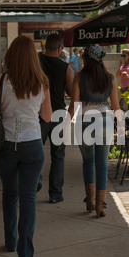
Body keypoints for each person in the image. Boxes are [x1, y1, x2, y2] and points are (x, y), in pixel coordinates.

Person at [0, 36, 52, 257]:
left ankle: (10, 240)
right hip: (32, 145)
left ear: (11, 56)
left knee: (10, 195)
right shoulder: (42, 82)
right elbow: (47, 117)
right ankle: (26, 254)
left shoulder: (2, 80)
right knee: (28, 198)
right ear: (33, 57)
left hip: (6, 147)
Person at [68, 45, 120, 218]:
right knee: (102, 164)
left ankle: (90, 201)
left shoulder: (79, 77)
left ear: (86, 59)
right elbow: (116, 106)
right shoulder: (109, 78)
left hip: (84, 121)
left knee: (88, 161)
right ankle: (100, 205)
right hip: (105, 120)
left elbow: (73, 105)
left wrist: (66, 123)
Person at [38, 33, 74, 203]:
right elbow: (73, 92)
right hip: (58, 113)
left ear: (46, 46)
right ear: (60, 48)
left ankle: (35, 182)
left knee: (35, 152)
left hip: (37, 113)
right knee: (58, 155)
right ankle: (55, 194)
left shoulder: (36, 63)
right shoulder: (65, 67)